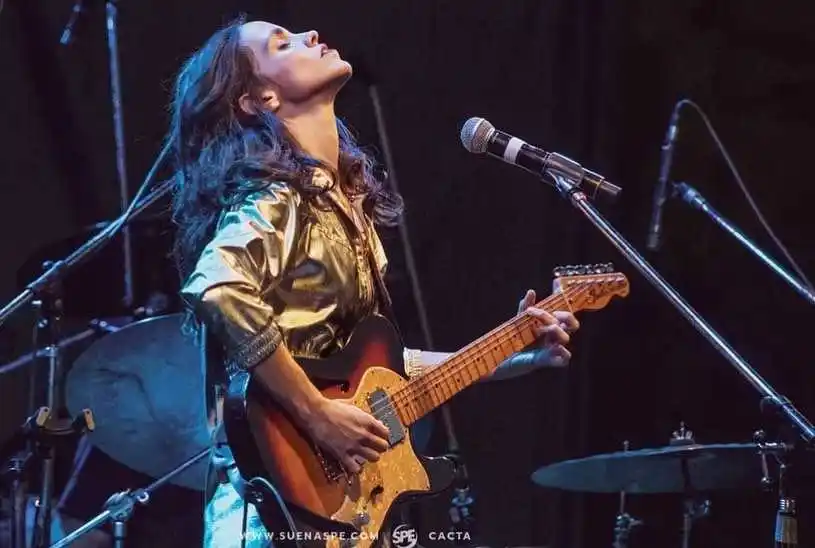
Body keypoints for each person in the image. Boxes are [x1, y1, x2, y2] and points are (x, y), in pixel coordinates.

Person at [168, 15, 580, 548]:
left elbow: (383, 373)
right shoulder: (278, 198)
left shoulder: (343, 208)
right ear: (257, 98)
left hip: (338, 518)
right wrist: (316, 415)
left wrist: (516, 354)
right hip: (269, 519)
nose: (310, 35)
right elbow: (216, 286)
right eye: (281, 43)